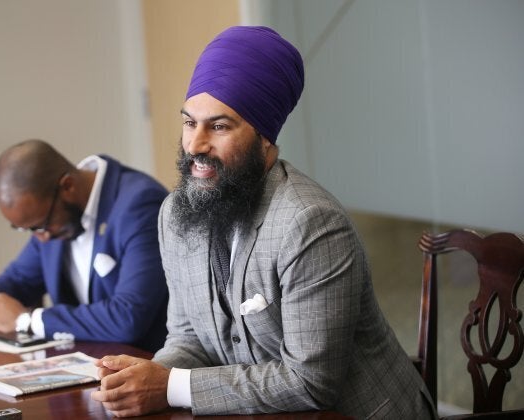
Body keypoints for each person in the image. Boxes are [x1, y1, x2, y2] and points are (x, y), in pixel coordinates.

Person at [90, 26, 437, 418]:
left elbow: (311, 382)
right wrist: (149, 374)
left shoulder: (310, 223)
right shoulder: (176, 213)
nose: (196, 145)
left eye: (218, 127)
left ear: (265, 138)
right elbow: (189, 336)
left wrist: (169, 386)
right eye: (189, 123)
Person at [0, 140, 169, 352]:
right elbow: (18, 279)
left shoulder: (140, 206)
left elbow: (128, 317)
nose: (39, 238)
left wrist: (26, 320)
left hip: (145, 365)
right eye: (28, 230)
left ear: (67, 187)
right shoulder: (52, 221)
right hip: (86, 363)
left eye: (39, 226)